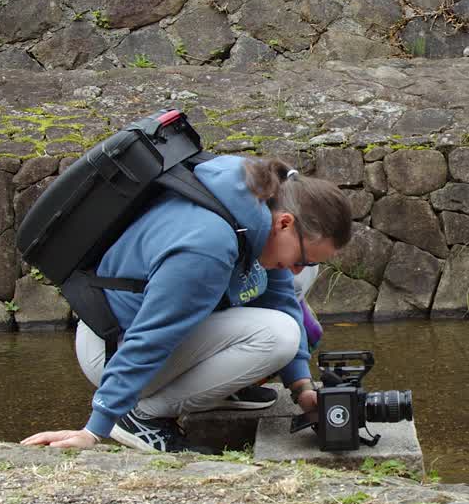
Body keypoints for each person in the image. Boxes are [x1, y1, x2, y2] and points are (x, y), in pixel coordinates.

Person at [21, 155, 352, 453]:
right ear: (285, 223)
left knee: (289, 290)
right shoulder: (207, 247)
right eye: (303, 259)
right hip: (114, 347)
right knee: (278, 335)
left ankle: (224, 389)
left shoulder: (255, 203)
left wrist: (301, 388)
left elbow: (280, 297)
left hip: (139, 327)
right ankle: (141, 416)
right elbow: (152, 336)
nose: (298, 269)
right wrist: (97, 427)